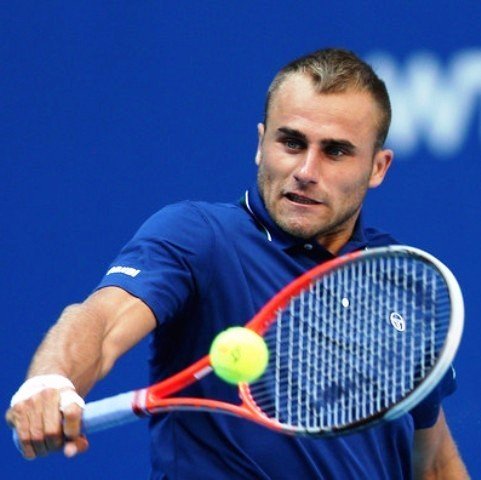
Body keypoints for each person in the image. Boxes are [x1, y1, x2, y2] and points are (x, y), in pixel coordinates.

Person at [6, 48, 469, 479]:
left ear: (378, 167)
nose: (306, 171)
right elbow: (103, 321)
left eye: (335, 151)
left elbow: (432, 462)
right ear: (261, 143)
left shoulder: (404, 282)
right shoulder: (200, 237)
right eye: (292, 142)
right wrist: (51, 380)